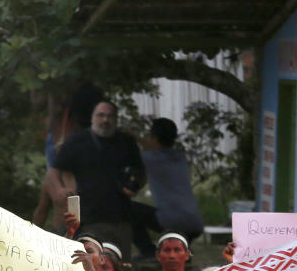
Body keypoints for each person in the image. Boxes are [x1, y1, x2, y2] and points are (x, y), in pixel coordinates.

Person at [48, 100, 145, 258]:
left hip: (121, 218)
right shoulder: (77, 141)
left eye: (110, 116)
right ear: (93, 117)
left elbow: (141, 172)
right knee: (91, 267)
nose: (105, 120)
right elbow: (54, 170)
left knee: (121, 268)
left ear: (116, 119)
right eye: (101, 115)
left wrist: (135, 185)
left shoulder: (127, 142)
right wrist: (59, 189)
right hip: (89, 218)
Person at [137, 118, 204, 249]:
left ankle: (147, 251)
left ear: (154, 138)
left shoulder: (148, 158)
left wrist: (132, 136)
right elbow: (153, 146)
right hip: (195, 223)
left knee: (129, 209)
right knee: (181, 256)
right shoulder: (181, 157)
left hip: (171, 221)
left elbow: (147, 148)